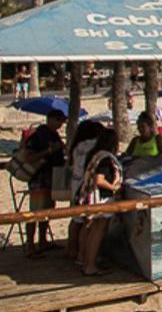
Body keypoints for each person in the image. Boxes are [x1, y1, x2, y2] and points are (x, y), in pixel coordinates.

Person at [21, 110, 67, 257]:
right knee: (35, 212)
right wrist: (48, 151)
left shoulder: (54, 135)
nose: (60, 124)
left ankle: (42, 240)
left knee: (47, 211)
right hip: (39, 178)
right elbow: (29, 158)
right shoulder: (38, 136)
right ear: (50, 119)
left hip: (51, 177)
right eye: (58, 120)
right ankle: (30, 245)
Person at [77, 129, 122, 276]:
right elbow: (99, 180)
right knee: (98, 230)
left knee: (90, 228)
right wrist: (113, 187)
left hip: (90, 197)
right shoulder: (104, 158)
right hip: (101, 198)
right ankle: (90, 265)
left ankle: (84, 259)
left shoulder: (94, 155)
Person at [64, 121, 105, 262]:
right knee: (87, 222)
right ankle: (83, 255)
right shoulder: (93, 145)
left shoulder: (77, 146)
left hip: (75, 183)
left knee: (76, 219)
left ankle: (71, 249)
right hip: (85, 185)